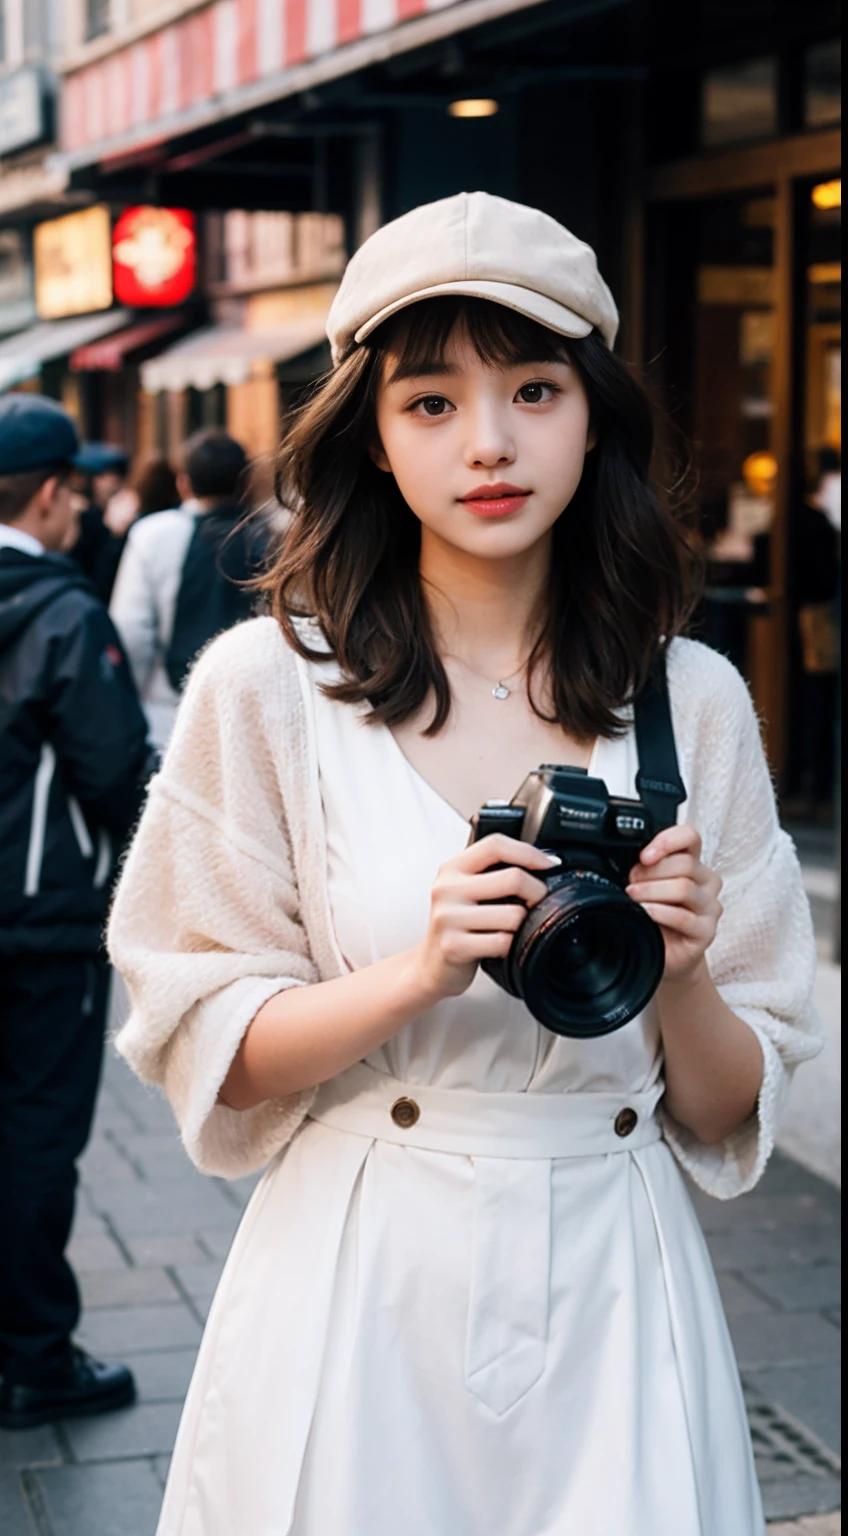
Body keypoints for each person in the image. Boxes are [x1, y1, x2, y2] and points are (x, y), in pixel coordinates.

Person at [108, 193, 820, 1535]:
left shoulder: (693, 701)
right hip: (357, 1269)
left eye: (534, 389)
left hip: (619, 1271)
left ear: (591, 412)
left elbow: (727, 1115)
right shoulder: (267, 689)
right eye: (430, 403)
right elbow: (203, 1032)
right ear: (371, 439)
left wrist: (679, 975)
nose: (488, 443)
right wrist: (418, 972)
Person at [0, 396, 154, 1430]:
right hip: (38, 927)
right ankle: (33, 1361)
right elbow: (117, 774)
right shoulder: (62, 613)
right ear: (54, 495)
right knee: (34, 1139)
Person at [109, 428, 268, 751]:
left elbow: (132, 632)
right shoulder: (272, 535)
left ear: (184, 483)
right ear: (244, 481)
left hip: (169, 714)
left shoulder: (152, 535)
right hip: (254, 712)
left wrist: (129, 704)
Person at [67, 441, 130, 603]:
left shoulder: (119, 518)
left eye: (118, 476)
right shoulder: (82, 520)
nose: (115, 482)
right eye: (105, 475)